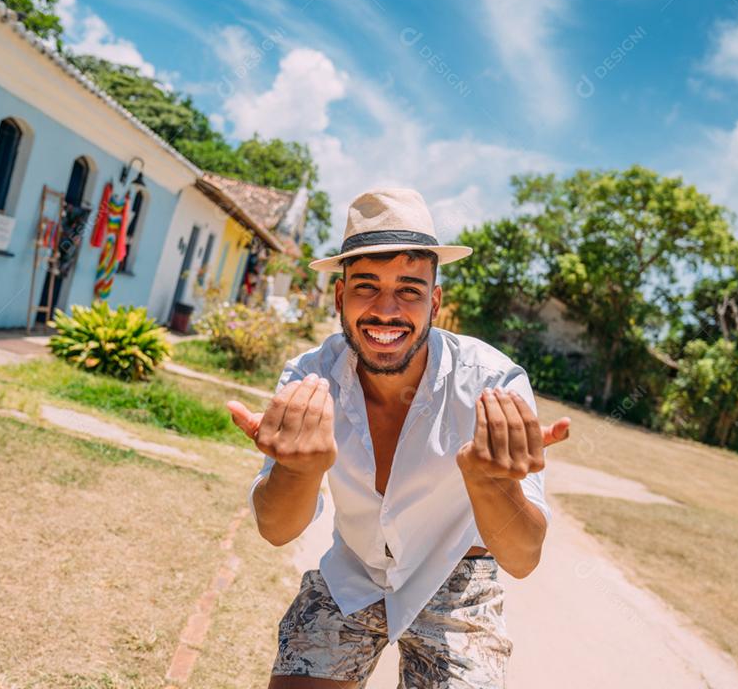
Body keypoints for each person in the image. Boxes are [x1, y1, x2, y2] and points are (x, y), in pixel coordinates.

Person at [227, 187, 571, 688]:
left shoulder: (490, 382)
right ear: (340, 297)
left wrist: (488, 481)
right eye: (366, 286)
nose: (387, 310)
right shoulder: (309, 379)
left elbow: (522, 558)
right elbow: (276, 530)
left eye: (409, 289)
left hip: (460, 585)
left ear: (434, 302)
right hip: (355, 572)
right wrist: (297, 470)